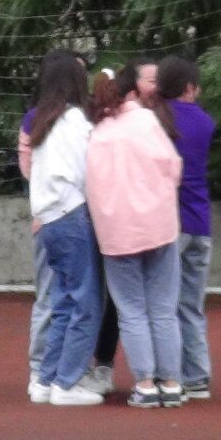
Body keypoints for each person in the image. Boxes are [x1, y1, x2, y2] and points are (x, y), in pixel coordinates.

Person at [87, 65, 185, 408]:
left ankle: (144, 384)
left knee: (130, 310)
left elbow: (90, 181)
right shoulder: (146, 121)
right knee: (163, 308)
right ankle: (170, 382)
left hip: (117, 233)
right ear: (132, 91)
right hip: (158, 226)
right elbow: (172, 166)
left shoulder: (98, 132)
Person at [26, 51, 104, 407]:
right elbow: (86, 172)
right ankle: (67, 383)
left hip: (49, 219)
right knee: (85, 303)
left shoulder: (45, 120)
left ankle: (46, 379)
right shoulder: (74, 121)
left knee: (62, 301)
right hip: (71, 214)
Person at [159, 55, 217, 400]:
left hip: (171, 221)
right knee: (191, 304)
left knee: (163, 303)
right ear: (190, 87)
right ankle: (197, 375)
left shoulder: (159, 119)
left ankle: (168, 375)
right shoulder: (205, 121)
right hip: (200, 220)